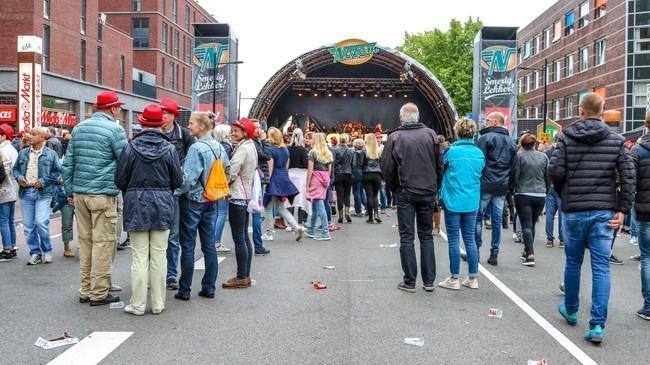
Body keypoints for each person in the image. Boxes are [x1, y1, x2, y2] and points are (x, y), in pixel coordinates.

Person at [549, 92, 635, 343]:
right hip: (603, 211)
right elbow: (628, 176)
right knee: (601, 268)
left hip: (574, 208)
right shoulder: (616, 140)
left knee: (573, 262)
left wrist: (563, 192)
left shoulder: (565, 137)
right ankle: (597, 325)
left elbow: (554, 169)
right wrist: (622, 209)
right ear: (603, 110)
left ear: (580, 110)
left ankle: (572, 309)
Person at [115, 104, 182, 315]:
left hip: (136, 203)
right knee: (159, 256)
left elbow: (120, 180)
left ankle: (137, 305)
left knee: (139, 257)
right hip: (162, 203)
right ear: (161, 123)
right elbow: (178, 180)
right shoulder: (170, 148)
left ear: (142, 123)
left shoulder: (130, 147)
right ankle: (159, 304)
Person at [62, 90, 127, 306]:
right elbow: (124, 163)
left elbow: (68, 163)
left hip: (80, 193)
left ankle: (85, 289)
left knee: (86, 242)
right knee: (104, 243)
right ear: (113, 108)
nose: (119, 109)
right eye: (118, 106)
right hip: (103, 194)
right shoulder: (115, 130)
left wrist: (70, 191)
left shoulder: (79, 128)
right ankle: (99, 292)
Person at [381, 103, 443, 293]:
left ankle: (409, 281)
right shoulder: (431, 135)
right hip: (427, 191)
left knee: (407, 237)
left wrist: (393, 189)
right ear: (417, 117)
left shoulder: (395, 137)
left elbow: (386, 167)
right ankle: (429, 281)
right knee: (426, 237)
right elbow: (440, 165)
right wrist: (435, 186)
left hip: (406, 190)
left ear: (401, 119)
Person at [174, 112, 230, 300]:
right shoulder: (220, 148)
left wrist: (174, 193)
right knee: (209, 245)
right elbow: (227, 172)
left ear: (202, 126)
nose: (188, 126)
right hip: (212, 200)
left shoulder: (196, 148)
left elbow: (188, 179)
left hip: (193, 201)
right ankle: (209, 287)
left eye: (191, 123)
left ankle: (184, 289)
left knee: (188, 245)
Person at [438, 118, 484, 290]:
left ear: (458, 132)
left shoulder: (451, 153)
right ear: (473, 133)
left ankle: (454, 278)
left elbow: (441, 171)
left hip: (453, 200)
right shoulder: (479, 153)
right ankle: (472, 278)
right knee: (470, 239)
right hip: (472, 200)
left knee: (453, 240)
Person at [159, 98, 194, 291]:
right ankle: (157, 273)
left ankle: (171, 275)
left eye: (166, 113)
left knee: (173, 235)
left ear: (173, 115)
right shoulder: (153, 133)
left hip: (176, 191)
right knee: (155, 235)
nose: (162, 116)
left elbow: (191, 160)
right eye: (161, 113)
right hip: (157, 189)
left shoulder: (185, 136)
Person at [13, 127, 62, 265]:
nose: (30, 136)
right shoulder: (23, 153)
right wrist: (19, 178)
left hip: (43, 192)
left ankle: (47, 249)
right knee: (28, 226)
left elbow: (58, 172)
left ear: (42, 137)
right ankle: (35, 253)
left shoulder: (51, 154)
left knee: (41, 222)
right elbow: (15, 169)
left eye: (33, 134)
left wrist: (43, 181)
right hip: (26, 192)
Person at [474, 111, 517, 266]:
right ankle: (494, 253)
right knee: (497, 220)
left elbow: (477, 161)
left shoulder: (484, 139)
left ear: (495, 122)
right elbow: (514, 167)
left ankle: (475, 251)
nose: (484, 122)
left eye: (487, 120)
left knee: (478, 217)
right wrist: (509, 186)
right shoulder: (511, 142)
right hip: (502, 186)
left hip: (484, 184)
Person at [222, 118, 258, 289]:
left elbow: (231, 172)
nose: (233, 133)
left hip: (237, 196)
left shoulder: (242, 149)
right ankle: (245, 275)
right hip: (245, 196)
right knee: (244, 237)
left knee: (239, 239)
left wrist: (221, 185)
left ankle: (241, 276)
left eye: (236, 131)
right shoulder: (250, 146)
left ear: (245, 133)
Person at [513, 134, 549, 267]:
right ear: (534, 144)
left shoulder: (519, 156)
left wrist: (513, 189)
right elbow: (547, 176)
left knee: (526, 225)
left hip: (523, 193)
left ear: (522, 144)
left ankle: (530, 254)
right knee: (532, 224)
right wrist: (546, 190)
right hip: (540, 194)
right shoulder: (543, 157)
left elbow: (516, 175)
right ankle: (527, 250)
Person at [264, 127, 303, 241]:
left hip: (274, 179)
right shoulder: (285, 150)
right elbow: (286, 166)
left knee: (268, 207)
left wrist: (267, 183)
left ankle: (269, 233)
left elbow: (270, 169)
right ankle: (296, 226)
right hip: (283, 178)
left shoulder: (271, 150)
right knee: (281, 207)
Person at [632, 113, 650, 321]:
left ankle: (649, 305)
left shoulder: (638, 151)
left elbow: (631, 181)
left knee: (647, 256)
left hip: (645, 208)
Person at [305, 133, 333, 241]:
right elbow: (329, 170)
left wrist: (307, 185)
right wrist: (327, 180)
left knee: (319, 205)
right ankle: (311, 229)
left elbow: (310, 170)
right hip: (325, 178)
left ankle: (325, 231)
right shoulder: (328, 153)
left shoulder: (312, 152)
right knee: (316, 205)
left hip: (316, 178)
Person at [212, 123, 232, 253]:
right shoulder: (227, 147)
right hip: (222, 183)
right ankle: (216, 242)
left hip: (214, 182)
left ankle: (213, 241)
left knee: (216, 213)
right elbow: (227, 167)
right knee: (222, 213)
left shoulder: (215, 146)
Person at [0, 124, 19, 262]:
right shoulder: (12, 148)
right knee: (10, 221)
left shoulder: (3, 150)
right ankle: (12, 247)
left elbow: (3, 172)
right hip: (13, 188)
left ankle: (6, 250)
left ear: (4, 136)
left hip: (4, 189)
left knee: (4, 221)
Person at [286, 128, 310, 226]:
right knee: (301, 200)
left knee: (290, 199)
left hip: (290, 174)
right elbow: (305, 164)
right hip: (301, 176)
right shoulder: (304, 150)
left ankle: (290, 222)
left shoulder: (288, 148)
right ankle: (300, 222)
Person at [545, 135, 564, 249]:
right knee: (562, 215)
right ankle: (562, 240)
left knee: (550, 214)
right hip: (561, 187)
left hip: (551, 186)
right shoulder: (566, 152)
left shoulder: (547, 153)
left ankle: (549, 239)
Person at [333, 133, 354, 223]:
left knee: (339, 195)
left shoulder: (335, 150)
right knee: (347, 194)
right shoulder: (351, 150)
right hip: (348, 173)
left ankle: (340, 214)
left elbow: (334, 162)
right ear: (347, 140)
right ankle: (347, 212)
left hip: (338, 174)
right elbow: (353, 163)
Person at [362, 133, 383, 224]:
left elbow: (361, 163)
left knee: (369, 196)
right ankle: (376, 214)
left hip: (367, 174)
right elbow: (382, 163)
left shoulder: (364, 150)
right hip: (377, 174)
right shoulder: (379, 150)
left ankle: (370, 218)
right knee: (375, 195)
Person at [351, 138, 366, 217]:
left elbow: (353, 164)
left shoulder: (354, 153)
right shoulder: (364, 152)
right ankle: (367, 207)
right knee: (361, 191)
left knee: (356, 191)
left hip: (356, 172)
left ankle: (358, 210)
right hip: (363, 172)